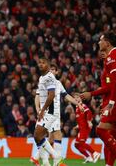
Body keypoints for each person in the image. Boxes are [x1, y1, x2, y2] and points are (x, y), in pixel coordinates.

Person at [31, 63, 84, 166]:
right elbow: (37, 96)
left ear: (56, 72)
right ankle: (54, 160)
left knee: (55, 136)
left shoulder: (58, 83)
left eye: (53, 70)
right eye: (49, 69)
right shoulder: (44, 81)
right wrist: (38, 109)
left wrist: (78, 104)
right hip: (46, 113)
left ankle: (42, 159)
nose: (51, 71)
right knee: (42, 136)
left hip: (55, 114)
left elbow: (66, 96)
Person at [81, 32, 116, 166]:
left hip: (113, 101)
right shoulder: (108, 61)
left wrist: (92, 94)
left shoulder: (113, 56)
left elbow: (111, 86)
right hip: (109, 101)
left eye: (100, 40)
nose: (98, 43)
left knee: (101, 130)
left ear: (107, 43)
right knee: (111, 136)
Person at [33, 57, 63, 166]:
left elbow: (52, 95)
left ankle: (55, 157)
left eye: (43, 63)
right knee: (37, 137)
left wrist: (42, 110)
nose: (40, 64)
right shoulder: (42, 77)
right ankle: (46, 162)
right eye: (39, 63)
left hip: (50, 110)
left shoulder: (49, 78)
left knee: (38, 135)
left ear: (48, 65)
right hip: (45, 110)